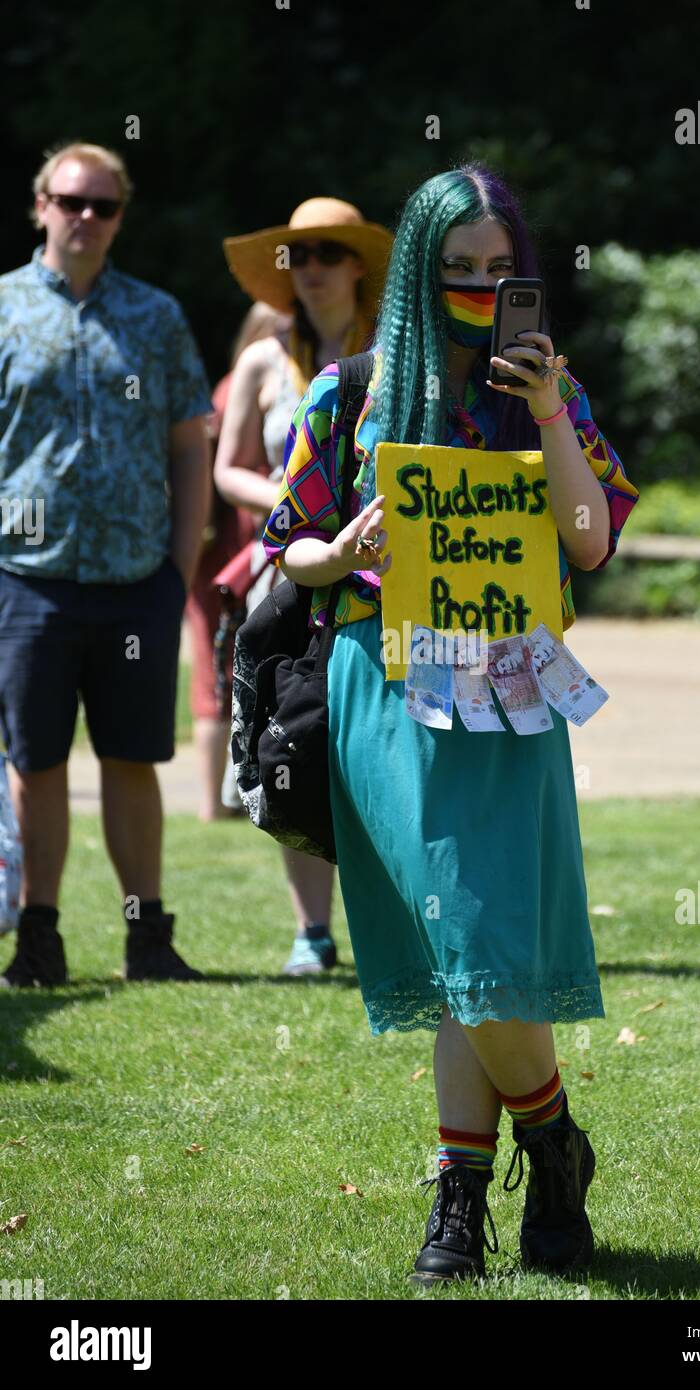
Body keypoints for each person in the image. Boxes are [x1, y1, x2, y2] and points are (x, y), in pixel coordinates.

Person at [261, 164, 639, 1283]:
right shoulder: (352, 393)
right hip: (382, 681)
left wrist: (547, 413)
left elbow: (591, 539)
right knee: (449, 951)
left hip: (513, 690)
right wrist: (346, 550)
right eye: (458, 269)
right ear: (420, 273)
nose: (481, 287)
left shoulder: (549, 393)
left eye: (499, 269)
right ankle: (530, 1158)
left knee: (479, 949)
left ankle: (480, 1187)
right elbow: (290, 542)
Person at [0, 142, 212, 987]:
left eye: (104, 205)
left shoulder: (154, 316)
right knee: (36, 761)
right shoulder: (4, 309)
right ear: (41, 205)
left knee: (133, 760)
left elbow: (188, 445)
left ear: (121, 215)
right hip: (26, 578)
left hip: (135, 582)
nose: (86, 217)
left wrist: (179, 571)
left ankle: (147, 940)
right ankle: (38, 938)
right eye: (71, 201)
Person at [215, 198, 392, 975]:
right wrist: (299, 509)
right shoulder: (261, 356)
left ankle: (395, 922)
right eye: (296, 254)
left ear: (357, 264)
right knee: (293, 740)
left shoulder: (391, 354)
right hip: (287, 574)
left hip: (378, 576)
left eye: (325, 251)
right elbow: (226, 470)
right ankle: (311, 932)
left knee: (377, 748)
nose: (309, 267)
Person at [186, 302, 290, 821]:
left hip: (232, 548)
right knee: (217, 672)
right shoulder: (244, 381)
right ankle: (215, 804)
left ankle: (225, 800)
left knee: (227, 671)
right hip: (230, 553)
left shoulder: (231, 385)